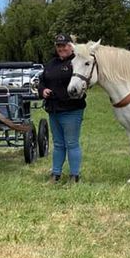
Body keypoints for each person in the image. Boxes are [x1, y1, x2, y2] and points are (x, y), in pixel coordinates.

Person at [36, 33, 87, 184]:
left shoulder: (77, 62)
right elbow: (42, 81)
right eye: (58, 46)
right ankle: (55, 174)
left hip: (71, 109)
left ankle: (74, 176)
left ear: (71, 46)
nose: (61, 48)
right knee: (58, 144)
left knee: (71, 143)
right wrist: (42, 90)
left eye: (64, 45)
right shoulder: (51, 63)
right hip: (54, 109)